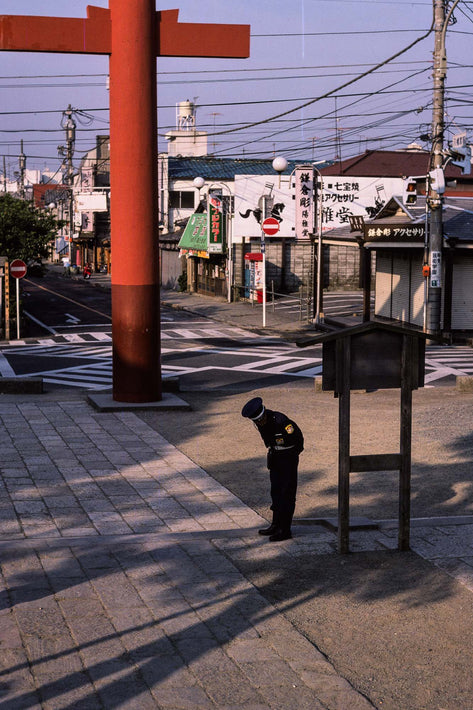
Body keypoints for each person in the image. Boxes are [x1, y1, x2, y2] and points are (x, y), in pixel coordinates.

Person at [241, 396, 303, 542]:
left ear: (264, 414)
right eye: (256, 421)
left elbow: (298, 439)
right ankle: (275, 525)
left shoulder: (281, 421)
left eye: (260, 419)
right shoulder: (261, 424)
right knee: (275, 492)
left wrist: (291, 457)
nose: (259, 423)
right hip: (275, 457)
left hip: (288, 458)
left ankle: (285, 529)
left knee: (287, 494)